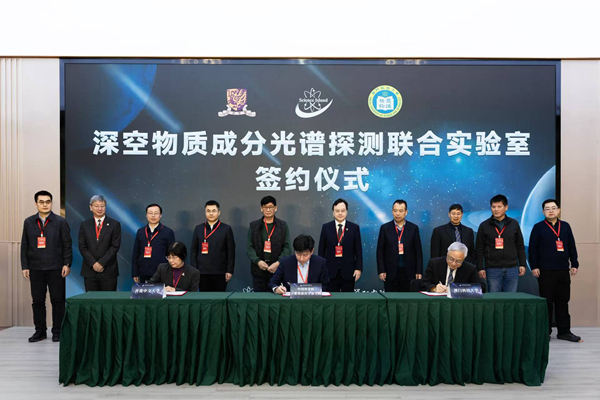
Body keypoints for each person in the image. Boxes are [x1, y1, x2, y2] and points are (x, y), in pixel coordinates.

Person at [21, 190, 72, 343]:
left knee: (57, 301)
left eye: (48, 201)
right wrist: (25, 266)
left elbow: (67, 244)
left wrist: (67, 264)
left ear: (51, 203)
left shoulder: (60, 222)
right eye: (41, 202)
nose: (45, 204)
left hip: (56, 268)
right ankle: (40, 331)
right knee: (37, 301)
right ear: (36, 204)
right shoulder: (29, 222)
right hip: (35, 268)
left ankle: (58, 331)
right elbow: (25, 246)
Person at [529, 199, 581, 342]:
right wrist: (534, 266)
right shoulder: (538, 227)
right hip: (545, 271)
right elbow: (533, 249)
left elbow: (571, 246)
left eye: (553, 208)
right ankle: (545, 332)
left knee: (563, 302)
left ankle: (564, 332)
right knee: (547, 303)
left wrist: (574, 264)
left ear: (559, 210)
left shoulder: (565, 226)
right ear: (543, 212)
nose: (551, 211)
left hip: (563, 270)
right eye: (547, 208)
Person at [476, 194, 526, 292]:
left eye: (499, 207)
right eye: (493, 207)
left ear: (506, 207)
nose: (496, 209)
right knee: (494, 298)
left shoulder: (514, 224)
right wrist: (480, 268)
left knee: (510, 298)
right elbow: (479, 249)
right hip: (492, 269)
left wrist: (522, 264)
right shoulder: (484, 225)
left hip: (512, 268)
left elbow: (520, 246)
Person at [246, 196, 292, 292]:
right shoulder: (254, 226)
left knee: (277, 297)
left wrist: (278, 263)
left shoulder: (283, 226)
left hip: (277, 270)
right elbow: (249, 247)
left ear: (275, 208)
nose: (268, 210)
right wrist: (258, 261)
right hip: (258, 270)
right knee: (260, 298)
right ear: (261, 208)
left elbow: (287, 248)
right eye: (265, 207)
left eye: (270, 207)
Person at [376, 199, 423, 292]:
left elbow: (418, 251)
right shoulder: (385, 228)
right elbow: (380, 251)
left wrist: (419, 271)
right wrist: (381, 270)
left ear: (406, 212)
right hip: (390, 272)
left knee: (407, 298)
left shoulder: (413, 228)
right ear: (392, 211)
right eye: (395, 210)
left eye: (401, 211)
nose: (397, 213)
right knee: (391, 298)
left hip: (409, 271)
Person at [318, 198, 363, 292]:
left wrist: (358, 269)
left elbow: (358, 251)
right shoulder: (326, 227)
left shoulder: (354, 228)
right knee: (332, 298)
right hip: (330, 272)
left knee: (347, 298)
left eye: (343, 211)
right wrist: (322, 270)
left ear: (346, 212)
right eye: (337, 211)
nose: (340, 213)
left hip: (349, 271)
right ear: (333, 212)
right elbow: (321, 250)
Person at [78, 195, 122, 291]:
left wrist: (101, 263)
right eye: (96, 206)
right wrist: (93, 263)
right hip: (90, 270)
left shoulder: (114, 224)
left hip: (108, 271)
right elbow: (82, 246)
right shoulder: (84, 225)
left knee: (108, 299)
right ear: (91, 207)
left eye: (102, 206)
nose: (99, 209)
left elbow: (115, 246)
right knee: (91, 299)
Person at [191, 200, 235, 291]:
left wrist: (229, 270)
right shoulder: (198, 228)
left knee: (219, 297)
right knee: (205, 297)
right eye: (208, 211)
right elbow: (193, 251)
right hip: (202, 272)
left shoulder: (226, 229)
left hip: (220, 271)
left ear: (219, 212)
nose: (211, 213)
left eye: (214, 211)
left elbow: (231, 251)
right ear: (205, 212)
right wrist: (195, 270)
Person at [132, 203, 175, 283]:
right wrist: (135, 272)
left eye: (156, 213)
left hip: (162, 272)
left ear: (160, 215)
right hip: (143, 271)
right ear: (146, 215)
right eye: (150, 213)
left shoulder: (168, 232)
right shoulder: (141, 232)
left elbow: (172, 254)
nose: (153, 216)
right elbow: (136, 253)